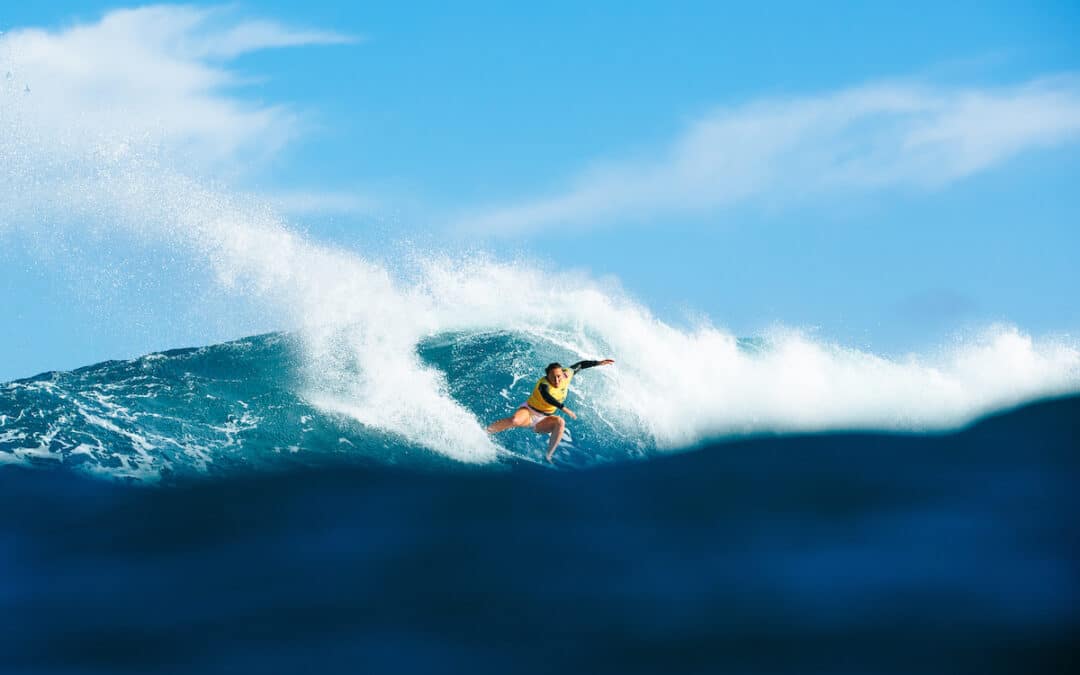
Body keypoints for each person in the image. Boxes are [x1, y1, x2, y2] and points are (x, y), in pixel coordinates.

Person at [486, 358, 615, 462]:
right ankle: (487, 432)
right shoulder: (544, 384)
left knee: (560, 422)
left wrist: (598, 363)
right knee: (515, 420)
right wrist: (564, 409)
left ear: (562, 374)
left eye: (558, 376)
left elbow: (580, 365)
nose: (557, 380)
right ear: (547, 376)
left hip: (544, 419)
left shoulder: (566, 375)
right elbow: (547, 398)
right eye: (553, 377)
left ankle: (548, 455)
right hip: (529, 411)